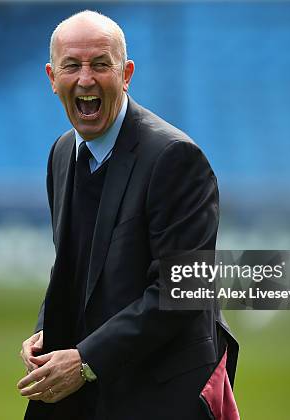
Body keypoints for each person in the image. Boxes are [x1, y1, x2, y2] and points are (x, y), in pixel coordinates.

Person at [17, 10, 238, 420]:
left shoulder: (174, 158)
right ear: (52, 77)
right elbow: (74, 268)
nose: (86, 78)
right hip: (91, 387)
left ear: (126, 74)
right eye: (72, 66)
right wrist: (48, 328)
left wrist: (83, 360)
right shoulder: (62, 153)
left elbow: (181, 295)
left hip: (161, 393)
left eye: (101, 64)